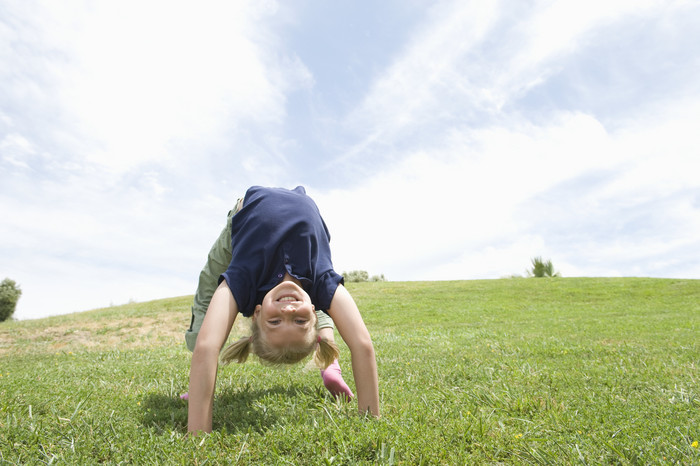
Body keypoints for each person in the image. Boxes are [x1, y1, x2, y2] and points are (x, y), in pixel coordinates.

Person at [186, 186, 379, 434]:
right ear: (313, 309)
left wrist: (198, 436)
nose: (288, 309)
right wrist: (371, 422)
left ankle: (198, 380)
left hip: (244, 213)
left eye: (275, 322)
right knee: (314, 294)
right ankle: (330, 363)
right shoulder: (320, 284)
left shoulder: (243, 282)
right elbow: (362, 344)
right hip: (300, 198)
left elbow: (207, 346)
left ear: (256, 313)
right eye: (299, 320)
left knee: (207, 290)